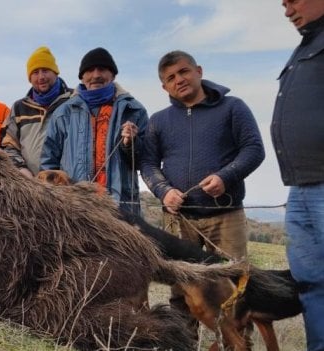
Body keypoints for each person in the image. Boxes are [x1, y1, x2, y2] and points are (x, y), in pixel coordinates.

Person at [141, 50, 264, 259]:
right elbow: (148, 163)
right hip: (178, 219)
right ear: (165, 87)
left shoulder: (233, 107)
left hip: (226, 215)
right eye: (171, 78)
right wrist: (164, 192)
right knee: (182, 285)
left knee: (232, 282)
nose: (179, 80)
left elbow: (254, 149)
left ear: (198, 71)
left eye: (184, 71)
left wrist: (225, 177)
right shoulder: (158, 120)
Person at [40, 48, 147, 215]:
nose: (96, 75)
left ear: (113, 75)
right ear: (82, 77)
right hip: (73, 209)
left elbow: (145, 162)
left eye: (102, 69)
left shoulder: (133, 110)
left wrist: (131, 144)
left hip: (121, 208)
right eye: (89, 70)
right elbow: (48, 163)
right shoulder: (63, 113)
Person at [273, 1, 324, 349]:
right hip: (300, 190)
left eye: (294, 0)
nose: (288, 10)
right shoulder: (305, 46)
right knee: (310, 282)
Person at [1, 46, 73, 177]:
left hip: (69, 185)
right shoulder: (19, 107)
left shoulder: (73, 101)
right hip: (31, 186)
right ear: (29, 78)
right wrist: (21, 170)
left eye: (45, 70)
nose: (41, 77)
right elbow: (9, 145)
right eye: (35, 72)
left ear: (55, 72)